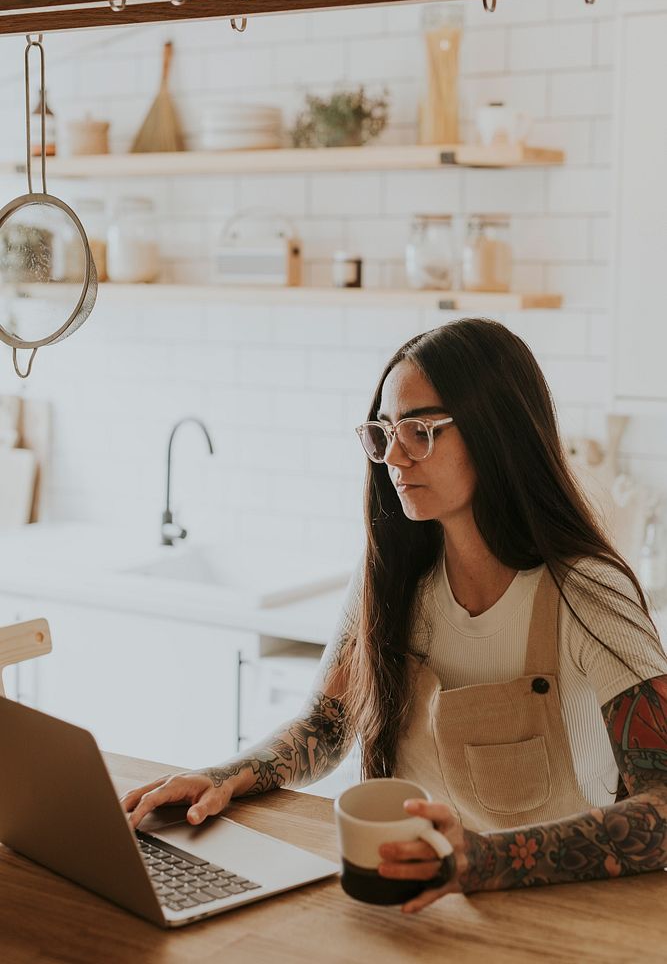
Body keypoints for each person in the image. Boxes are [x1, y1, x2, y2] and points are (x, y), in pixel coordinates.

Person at [122, 318, 667, 914]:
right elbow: (325, 729)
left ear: (498, 431)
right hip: (406, 905)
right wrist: (226, 776)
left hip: (547, 913)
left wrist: (481, 860)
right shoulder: (391, 574)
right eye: (383, 432)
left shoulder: (588, 592)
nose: (393, 457)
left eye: (421, 431)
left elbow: (663, 807)